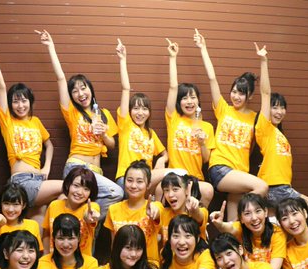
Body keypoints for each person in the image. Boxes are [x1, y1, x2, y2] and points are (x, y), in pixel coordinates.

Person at [36, 29, 123, 218]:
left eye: (83, 88)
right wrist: (51, 47)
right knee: (116, 192)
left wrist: (104, 134)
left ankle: (77, 219)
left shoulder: (104, 114)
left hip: (97, 171)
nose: (80, 94)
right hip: (77, 166)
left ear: (91, 90)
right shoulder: (72, 112)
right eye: (75, 91)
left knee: (91, 215)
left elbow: (112, 145)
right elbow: (60, 79)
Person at [0, 37, 63, 223]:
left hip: (39, 181)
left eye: (24, 100)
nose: (20, 105)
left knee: (35, 231)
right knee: (68, 187)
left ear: (30, 102)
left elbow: (49, 145)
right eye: (15, 101)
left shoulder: (35, 122)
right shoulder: (8, 122)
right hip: (21, 181)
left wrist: (46, 167)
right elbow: (1, 88)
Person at [193, 29, 268, 220]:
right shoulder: (224, 109)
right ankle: (248, 213)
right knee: (261, 187)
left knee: (233, 225)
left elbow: (266, 94)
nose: (236, 96)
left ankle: (233, 231)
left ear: (250, 96)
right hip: (220, 167)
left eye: (241, 93)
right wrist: (203, 48)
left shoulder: (255, 118)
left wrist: (263, 61)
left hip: (239, 173)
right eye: (234, 91)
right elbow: (212, 79)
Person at [254, 43, 308, 221]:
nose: (279, 112)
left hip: (283, 188)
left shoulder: (280, 135)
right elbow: (265, 93)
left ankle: (275, 224)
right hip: (274, 187)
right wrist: (263, 61)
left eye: (282, 108)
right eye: (275, 107)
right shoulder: (264, 128)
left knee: (282, 223)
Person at [164, 38, 215, 206]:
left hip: (195, 178)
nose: (189, 101)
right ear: (179, 103)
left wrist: (202, 143)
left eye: (193, 97)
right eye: (184, 98)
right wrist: (173, 58)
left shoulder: (207, 126)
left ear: (198, 101)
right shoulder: (173, 118)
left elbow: (206, 159)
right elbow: (173, 87)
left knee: (208, 190)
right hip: (175, 177)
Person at [114, 39, 168, 193]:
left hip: (145, 182)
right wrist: (123, 60)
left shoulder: (151, 134)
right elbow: (126, 89)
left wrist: (162, 159)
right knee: (175, 173)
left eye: (144, 109)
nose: (140, 113)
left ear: (149, 112)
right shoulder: (125, 124)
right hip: (126, 179)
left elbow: (165, 153)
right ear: (129, 111)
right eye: (136, 108)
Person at [210, 194, 287, 269]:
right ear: (241, 218)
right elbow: (229, 228)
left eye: (258, 211)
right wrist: (220, 224)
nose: (254, 218)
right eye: (247, 213)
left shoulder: (277, 233)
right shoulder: (241, 229)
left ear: (265, 212)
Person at [104, 160, 163, 264]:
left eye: (139, 181)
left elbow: (157, 212)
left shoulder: (155, 206)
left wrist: (154, 212)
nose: (133, 186)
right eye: (130, 180)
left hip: (148, 268)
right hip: (122, 268)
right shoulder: (113, 209)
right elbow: (114, 246)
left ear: (148, 185)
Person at [42, 167, 100, 256]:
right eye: (76, 186)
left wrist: (89, 217)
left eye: (86, 189)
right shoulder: (54, 205)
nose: (80, 192)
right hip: (54, 261)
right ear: (67, 185)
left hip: (82, 262)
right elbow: (46, 233)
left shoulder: (91, 207)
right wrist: (46, 256)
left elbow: (90, 214)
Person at [0, 183, 42, 268]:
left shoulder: (33, 225)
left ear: (24, 205)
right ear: (0, 204)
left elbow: (36, 253)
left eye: (16, 204)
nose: (11, 209)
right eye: (6, 203)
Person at [159, 173, 208, 246]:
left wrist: (195, 210)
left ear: (187, 190)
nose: (170, 195)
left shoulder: (201, 211)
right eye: (166, 190)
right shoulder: (163, 213)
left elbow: (199, 216)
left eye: (175, 189)